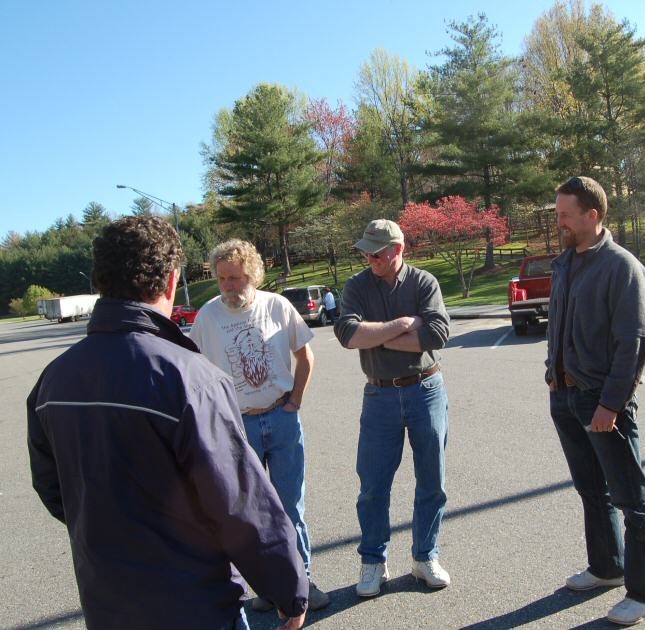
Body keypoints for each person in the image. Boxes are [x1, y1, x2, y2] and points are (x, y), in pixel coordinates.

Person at [27, 216, 307, 630]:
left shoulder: (54, 379)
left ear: (100, 279)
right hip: (194, 601)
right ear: (171, 281)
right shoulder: (190, 378)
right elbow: (239, 503)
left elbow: (54, 487)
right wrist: (289, 590)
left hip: (106, 599)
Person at [544, 176, 645, 626]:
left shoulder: (621, 266)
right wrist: (552, 375)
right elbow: (557, 326)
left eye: (565, 215)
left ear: (592, 215)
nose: (559, 222)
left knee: (632, 499)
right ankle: (607, 568)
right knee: (591, 491)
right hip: (566, 396)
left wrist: (611, 405)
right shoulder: (565, 264)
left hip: (602, 402)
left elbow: (634, 343)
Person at [190, 239, 329, 612]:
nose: (229, 286)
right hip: (238, 428)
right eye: (222, 279)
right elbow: (195, 374)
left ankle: (303, 581)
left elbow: (306, 356)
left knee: (290, 506)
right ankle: (269, 588)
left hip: (282, 418)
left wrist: (295, 400)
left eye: (235, 278)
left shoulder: (277, 306)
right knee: (249, 511)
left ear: (252, 274)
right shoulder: (207, 317)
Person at [333, 219, 450, 598]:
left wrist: (376, 336)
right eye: (366, 250)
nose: (369, 257)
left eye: (377, 251)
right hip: (379, 395)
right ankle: (373, 561)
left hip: (426, 389)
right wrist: (401, 325)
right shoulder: (356, 286)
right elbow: (349, 335)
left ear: (398, 250)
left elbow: (435, 336)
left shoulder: (423, 282)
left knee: (432, 481)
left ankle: (424, 557)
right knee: (373, 484)